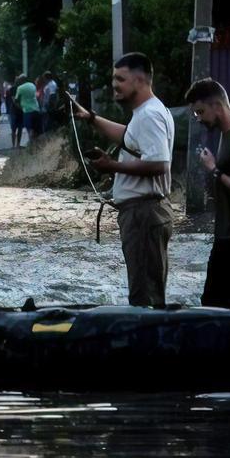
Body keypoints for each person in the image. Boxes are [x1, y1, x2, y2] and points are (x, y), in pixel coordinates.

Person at [72, 53, 176, 307]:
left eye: (120, 79)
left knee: (145, 298)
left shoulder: (150, 115)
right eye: (113, 78)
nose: (114, 84)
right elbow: (129, 137)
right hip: (143, 213)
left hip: (144, 214)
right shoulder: (145, 113)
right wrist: (92, 119)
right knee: (144, 292)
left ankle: (147, 345)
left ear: (139, 80)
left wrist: (111, 166)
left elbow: (159, 164)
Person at [185, 78, 230, 310]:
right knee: (213, 304)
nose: (199, 118)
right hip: (226, 236)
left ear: (217, 106)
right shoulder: (225, 136)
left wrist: (214, 170)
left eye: (200, 111)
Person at [15, 74, 41, 141]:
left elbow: (16, 100)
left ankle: (31, 144)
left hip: (27, 111)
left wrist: (20, 107)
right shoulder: (32, 85)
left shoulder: (20, 88)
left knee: (29, 129)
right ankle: (36, 144)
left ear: (21, 80)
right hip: (36, 109)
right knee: (36, 129)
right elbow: (36, 95)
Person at [7, 79, 24, 149]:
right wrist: (22, 108)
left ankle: (17, 144)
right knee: (14, 129)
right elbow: (14, 100)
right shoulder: (13, 89)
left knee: (19, 129)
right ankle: (14, 145)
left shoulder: (21, 89)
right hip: (14, 111)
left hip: (18, 111)